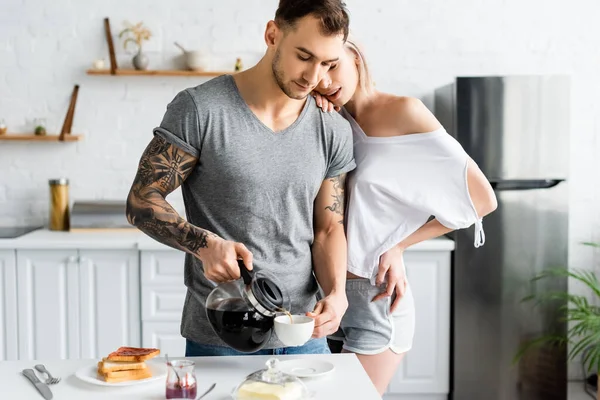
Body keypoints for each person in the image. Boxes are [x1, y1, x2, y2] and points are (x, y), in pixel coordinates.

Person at [125, 0, 356, 357]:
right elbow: (141, 200)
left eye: (328, 63)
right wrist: (203, 244)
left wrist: (337, 294)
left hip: (303, 336)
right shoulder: (201, 109)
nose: (314, 77)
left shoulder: (332, 129)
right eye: (304, 56)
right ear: (272, 35)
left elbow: (328, 228)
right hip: (221, 334)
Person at [313, 39, 498, 394]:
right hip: (326, 294)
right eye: (316, 70)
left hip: (375, 296)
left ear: (355, 55)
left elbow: (481, 198)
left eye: (332, 65)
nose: (324, 80)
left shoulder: (405, 111)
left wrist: (398, 246)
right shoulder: (335, 119)